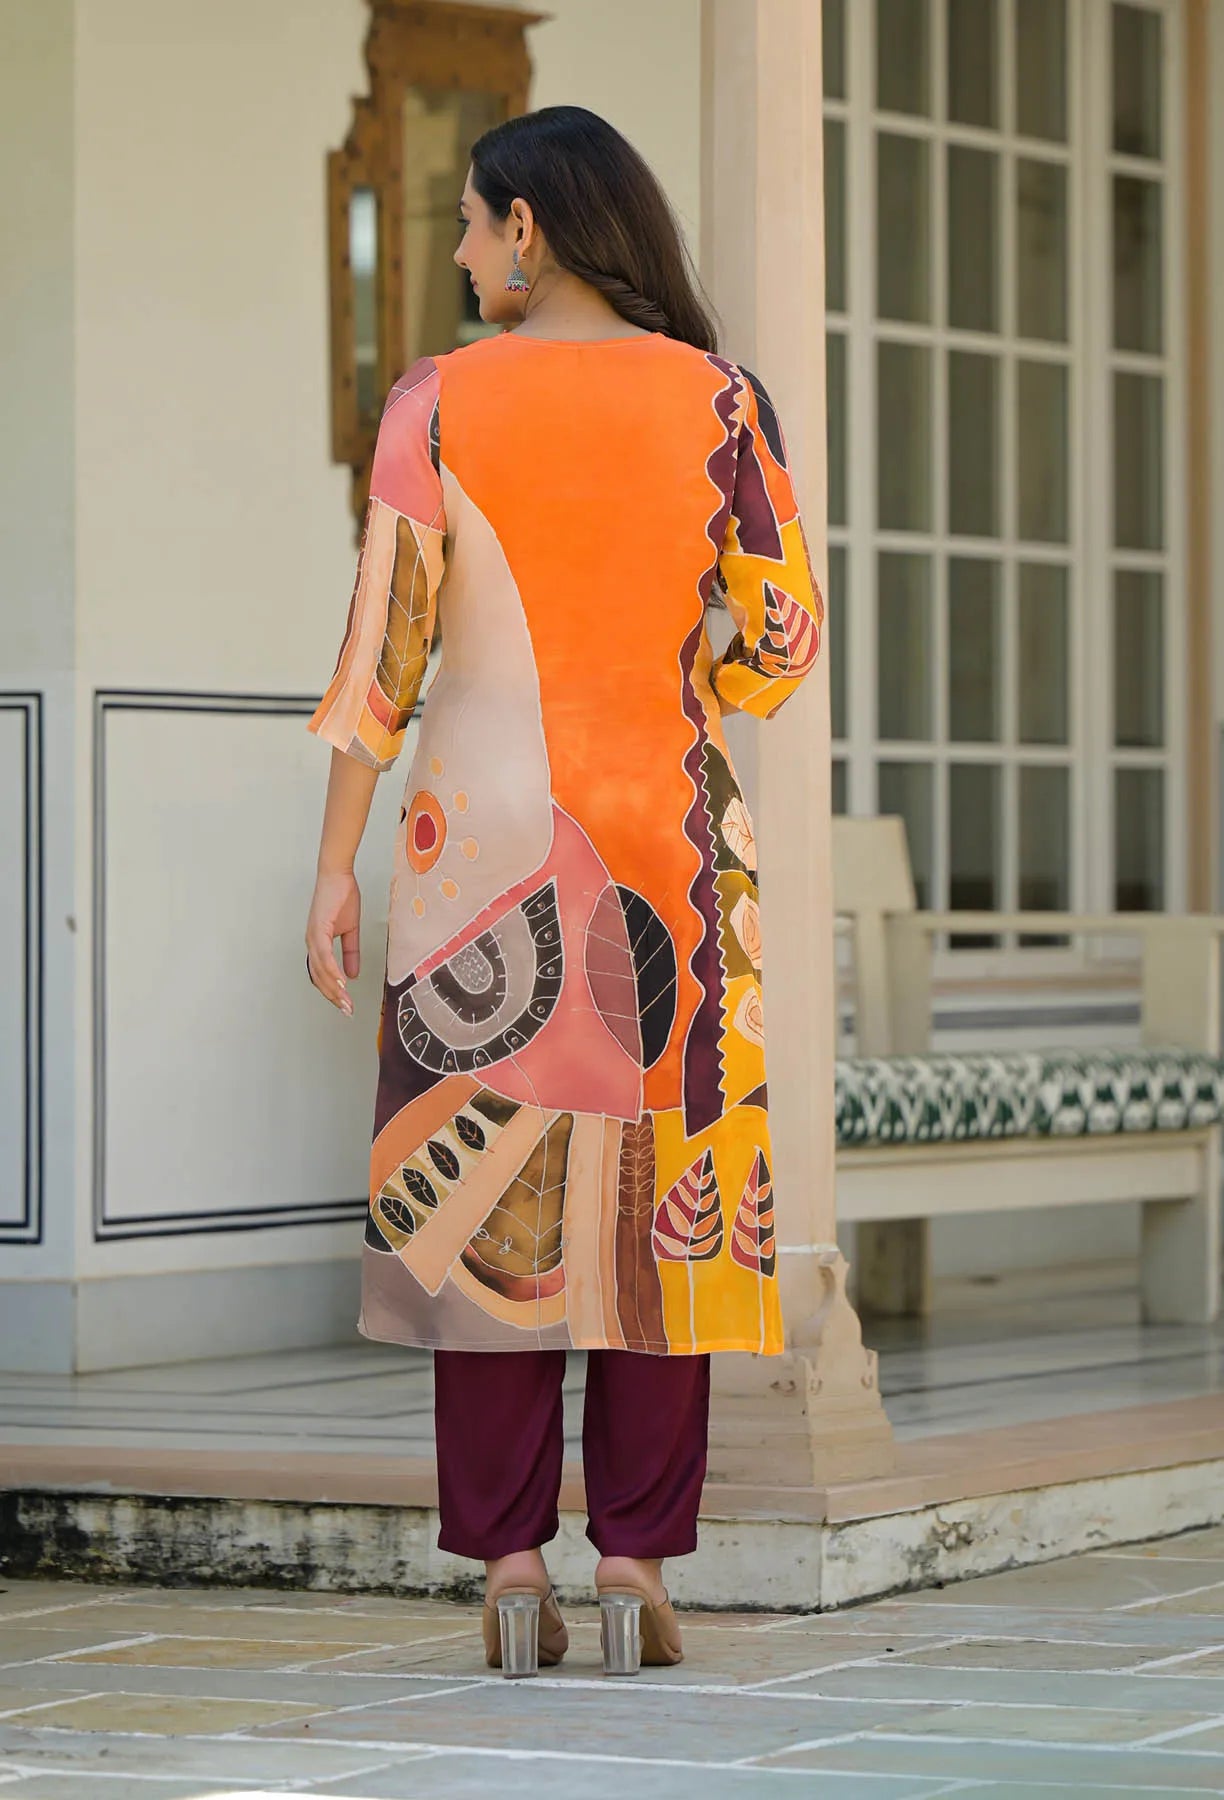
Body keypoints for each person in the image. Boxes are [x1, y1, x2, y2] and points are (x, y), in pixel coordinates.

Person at [304, 104, 823, 1678]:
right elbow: (784, 647)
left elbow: (379, 657)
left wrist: (331, 866)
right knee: (665, 1227)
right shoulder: (723, 402)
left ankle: (513, 1564)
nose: (461, 256)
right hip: (674, 855)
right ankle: (641, 1567)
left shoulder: (438, 403)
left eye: (469, 226)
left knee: (482, 1223)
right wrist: (680, 675)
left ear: (529, 227)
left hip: (473, 858)